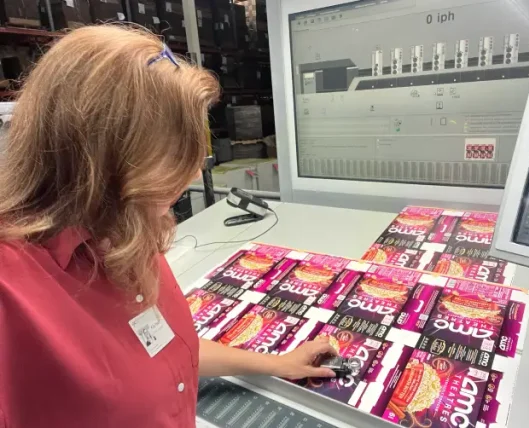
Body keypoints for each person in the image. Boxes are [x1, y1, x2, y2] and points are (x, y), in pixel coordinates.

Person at [0, 26, 337, 427]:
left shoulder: (125, 228)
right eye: (176, 153)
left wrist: (275, 363)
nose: (195, 170)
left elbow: (162, 345)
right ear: (106, 155)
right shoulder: (12, 291)